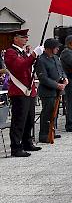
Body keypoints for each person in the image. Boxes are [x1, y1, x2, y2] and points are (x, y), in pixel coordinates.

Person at [5, 28, 41, 157]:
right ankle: (16, 147)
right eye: (23, 37)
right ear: (15, 38)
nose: (26, 39)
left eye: (26, 37)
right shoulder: (10, 52)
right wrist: (33, 55)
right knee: (19, 121)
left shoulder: (23, 52)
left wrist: (33, 57)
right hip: (19, 91)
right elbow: (20, 67)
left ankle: (27, 142)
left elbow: (28, 67)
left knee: (29, 119)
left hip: (28, 90)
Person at [35, 38, 67, 144]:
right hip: (47, 91)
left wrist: (64, 78)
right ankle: (44, 134)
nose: (58, 49)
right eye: (56, 47)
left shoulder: (56, 58)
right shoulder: (41, 60)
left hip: (58, 90)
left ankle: (51, 130)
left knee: (55, 112)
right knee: (47, 113)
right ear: (49, 48)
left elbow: (61, 70)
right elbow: (43, 78)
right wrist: (56, 85)